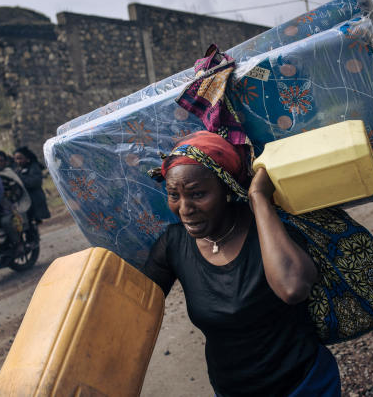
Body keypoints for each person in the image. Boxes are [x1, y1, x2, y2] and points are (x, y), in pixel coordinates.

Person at [142, 131, 341, 396]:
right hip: (231, 390)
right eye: (174, 195)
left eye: (197, 194)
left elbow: (293, 288)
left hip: (303, 384)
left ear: (226, 188)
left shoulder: (270, 226)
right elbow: (134, 307)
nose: (185, 208)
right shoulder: (173, 244)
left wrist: (258, 197)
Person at [0, 151, 31, 253]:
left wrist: (8, 201)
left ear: (5, 162)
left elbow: (18, 191)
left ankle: (18, 243)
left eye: (1, 161)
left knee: (6, 222)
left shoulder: (9, 173)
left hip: (9, 207)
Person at [14, 146, 50, 232]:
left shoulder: (34, 168)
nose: (18, 161)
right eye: (16, 159)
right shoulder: (18, 171)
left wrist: (19, 179)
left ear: (27, 158)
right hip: (24, 201)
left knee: (32, 225)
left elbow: (35, 182)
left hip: (35, 201)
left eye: (20, 158)